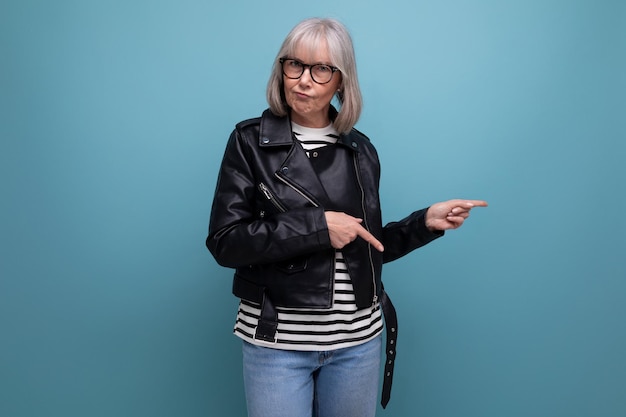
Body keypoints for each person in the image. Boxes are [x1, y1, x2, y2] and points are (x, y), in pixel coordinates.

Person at [206, 17, 487, 417]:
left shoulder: (360, 150)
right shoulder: (249, 142)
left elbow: (365, 244)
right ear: (281, 69)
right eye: (294, 65)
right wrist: (317, 228)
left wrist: (424, 223)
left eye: (321, 69)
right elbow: (226, 241)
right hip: (278, 344)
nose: (304, 80)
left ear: (341, 81)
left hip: (358, 343)